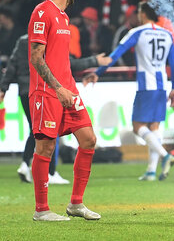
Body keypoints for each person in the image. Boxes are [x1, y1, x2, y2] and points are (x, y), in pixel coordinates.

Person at [26, 0, 100, 221]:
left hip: (69, 90)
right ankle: (41, 210)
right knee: (45, 147)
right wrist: (58, 88)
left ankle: (76, 204)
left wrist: (70, 84)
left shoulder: (64, 18)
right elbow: (37, 57)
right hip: (47, 92)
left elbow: (59, 58)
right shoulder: (42, 12)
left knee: (88, 139)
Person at [1, 34, 111, 185]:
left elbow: (12, 65)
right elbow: (68, 64)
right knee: (50, 131)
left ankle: (25, 164)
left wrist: (3, 88)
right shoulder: (51, 39)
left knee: (35, 130)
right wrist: (94, 61)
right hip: (43, 90)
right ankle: (50, 172)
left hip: (25, 91)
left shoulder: (23, 40)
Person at [87, 1, 174, 181]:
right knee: (154, 127)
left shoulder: (137, 32)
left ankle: (164, 155)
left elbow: (116, 55)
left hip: (146, 86)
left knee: (138, 127)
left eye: (138, 12)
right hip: (162, 86)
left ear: (143, 14)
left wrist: (98, 72)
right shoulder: (167, 34)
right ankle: (152, 171)